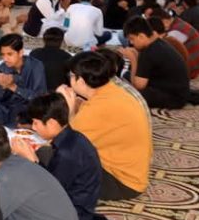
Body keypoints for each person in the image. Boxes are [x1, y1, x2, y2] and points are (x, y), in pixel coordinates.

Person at [12, 93, 112, 220]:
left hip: (73, 213)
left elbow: (52, 192)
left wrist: (32, 160)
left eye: (36, 123)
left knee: (15, 211)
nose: (33, 128)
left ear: (52, 123)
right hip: (74, 199)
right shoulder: (73, 137)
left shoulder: (67, 153)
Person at [60, 51, 152, 200]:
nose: (69, 80)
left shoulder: (99, 106)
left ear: (81, 81)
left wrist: (69, 108)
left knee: (46, 156)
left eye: (71, 75)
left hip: (120, 182)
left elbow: (66, 143)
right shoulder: (112, 91)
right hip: (130, 174)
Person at [0, 33, 46, 126]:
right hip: (6, 110)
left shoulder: (36, 66)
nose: (5, 59)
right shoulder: (1, 69)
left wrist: (13, 87)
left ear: (20, 52)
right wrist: (2, 88)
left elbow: (40, 97)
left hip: (29, 109)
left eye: (9, 54)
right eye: (3, 55)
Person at [119, 16, 189, 110]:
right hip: (178, 91)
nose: (131, 43)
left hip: (173, 98)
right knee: (127, 75)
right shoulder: (157, 43)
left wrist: (133, 59)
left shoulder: (149, 52)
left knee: (129, 94)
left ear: (141, 36)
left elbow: (138, 86)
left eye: (132, 39)